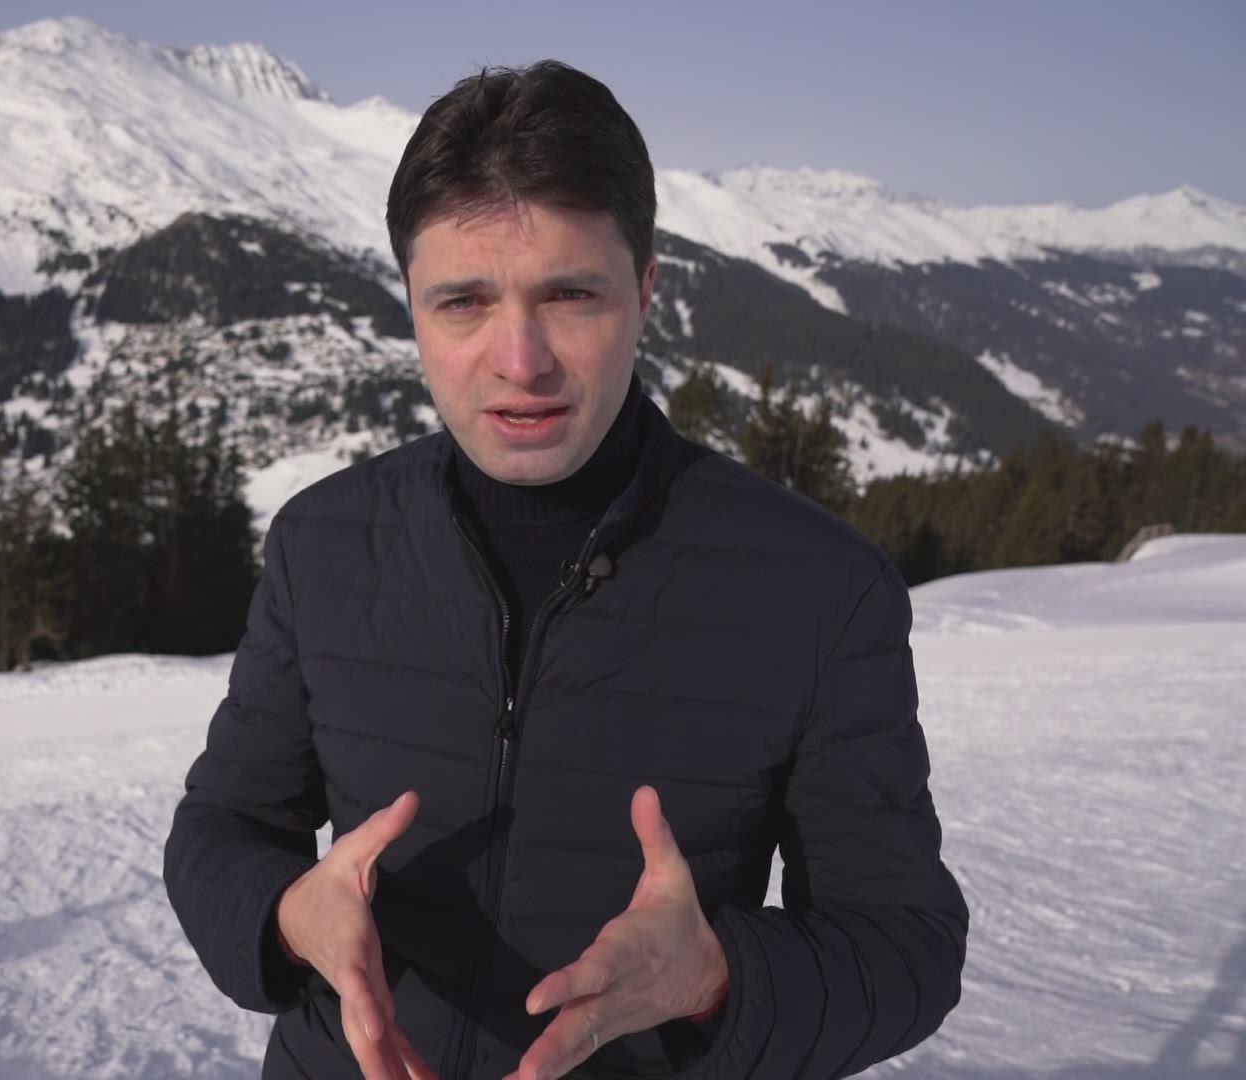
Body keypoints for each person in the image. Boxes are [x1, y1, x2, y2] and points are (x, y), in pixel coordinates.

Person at [164, 60, 967, 1080]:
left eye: (571, 295)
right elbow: (224, 825)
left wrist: (716, 980)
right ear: (410, 306)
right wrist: (287, 915)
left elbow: (903, 944)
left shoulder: (818, 588)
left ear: (646, 291)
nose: (521, 359)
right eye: (463, 302)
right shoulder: (325, 544)